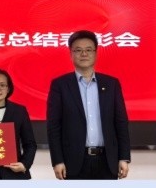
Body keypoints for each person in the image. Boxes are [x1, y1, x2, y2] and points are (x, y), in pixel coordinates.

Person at [45, 31, 131, 180]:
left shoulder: (111, 84)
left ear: (95, 53)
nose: (84, 54)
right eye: (78, 50)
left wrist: (124, 157)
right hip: (74, 162)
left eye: (88, 50)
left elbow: (121, 123)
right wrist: (57, 161)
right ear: (71, 54)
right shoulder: (60, 85)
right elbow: (53, 126)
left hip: (107, 161)